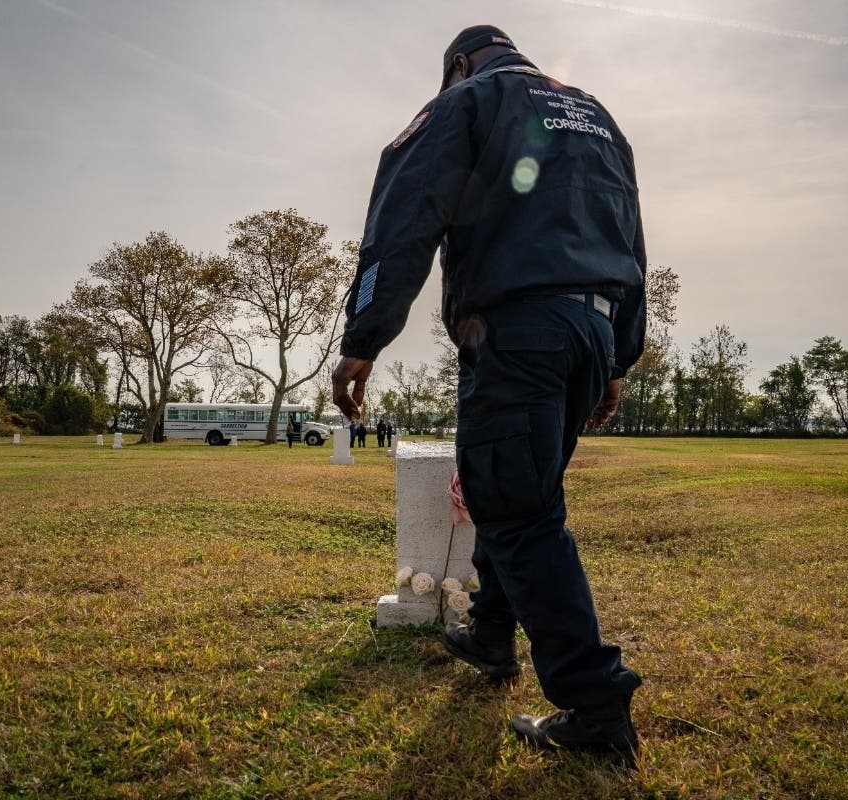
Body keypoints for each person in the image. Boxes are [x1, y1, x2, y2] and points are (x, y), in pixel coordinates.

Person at [332, 25, 646, 762]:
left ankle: (594, 705)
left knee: (516, 505)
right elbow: (631, 238)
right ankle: (492, 634)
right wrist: (619, 356)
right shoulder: (596, 115)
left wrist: (364, 336)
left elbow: (405, 214)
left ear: (460, 64)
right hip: (591, 330)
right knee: (510, 489)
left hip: (519, 328)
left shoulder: (469, 99)